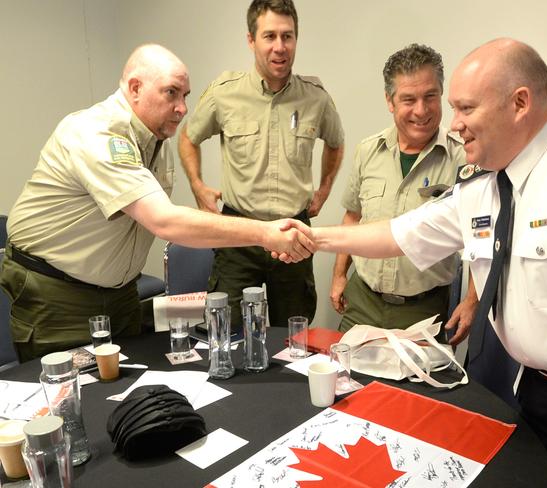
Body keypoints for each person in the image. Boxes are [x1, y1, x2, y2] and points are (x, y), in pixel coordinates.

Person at [302, 38, 547, 486]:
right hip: (536, 396)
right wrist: (311, 237)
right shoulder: (479, 185)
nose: (454, 124)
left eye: (465, 108)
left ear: (519, 102)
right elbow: (397, 233)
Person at [0, 44, 314, 362]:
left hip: (119, 294)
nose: (182, 108)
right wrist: (264, 233)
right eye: (171, 93)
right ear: (135, 88)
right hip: (56, 295)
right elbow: (165, 221)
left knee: (126, 398)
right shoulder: (95, 133)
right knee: (68, 396)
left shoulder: (155, 141)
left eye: (186, 96)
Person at [178, 0, 344, 333]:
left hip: (293, 236)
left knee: (294, 338)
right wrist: (198, 186)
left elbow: (336, 142)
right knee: (230, 332)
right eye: (269, 36)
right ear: (251, 40)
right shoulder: (225, 94)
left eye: (288, 36)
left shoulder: (316, 98)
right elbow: (188, 138)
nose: (280, 47)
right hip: (238, 235)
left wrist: (324, 188)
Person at [330, 44, 476, 344]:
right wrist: (339, 275)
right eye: (408, 99)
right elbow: (353, 216)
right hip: (362, 302)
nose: (421, 111)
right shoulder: (368, 151)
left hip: (424, 309)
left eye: (430, 97)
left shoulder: (464, 157)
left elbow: (480, 237)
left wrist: (472, 300)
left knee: (414, 390)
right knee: (345, 384)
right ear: (390, 101)